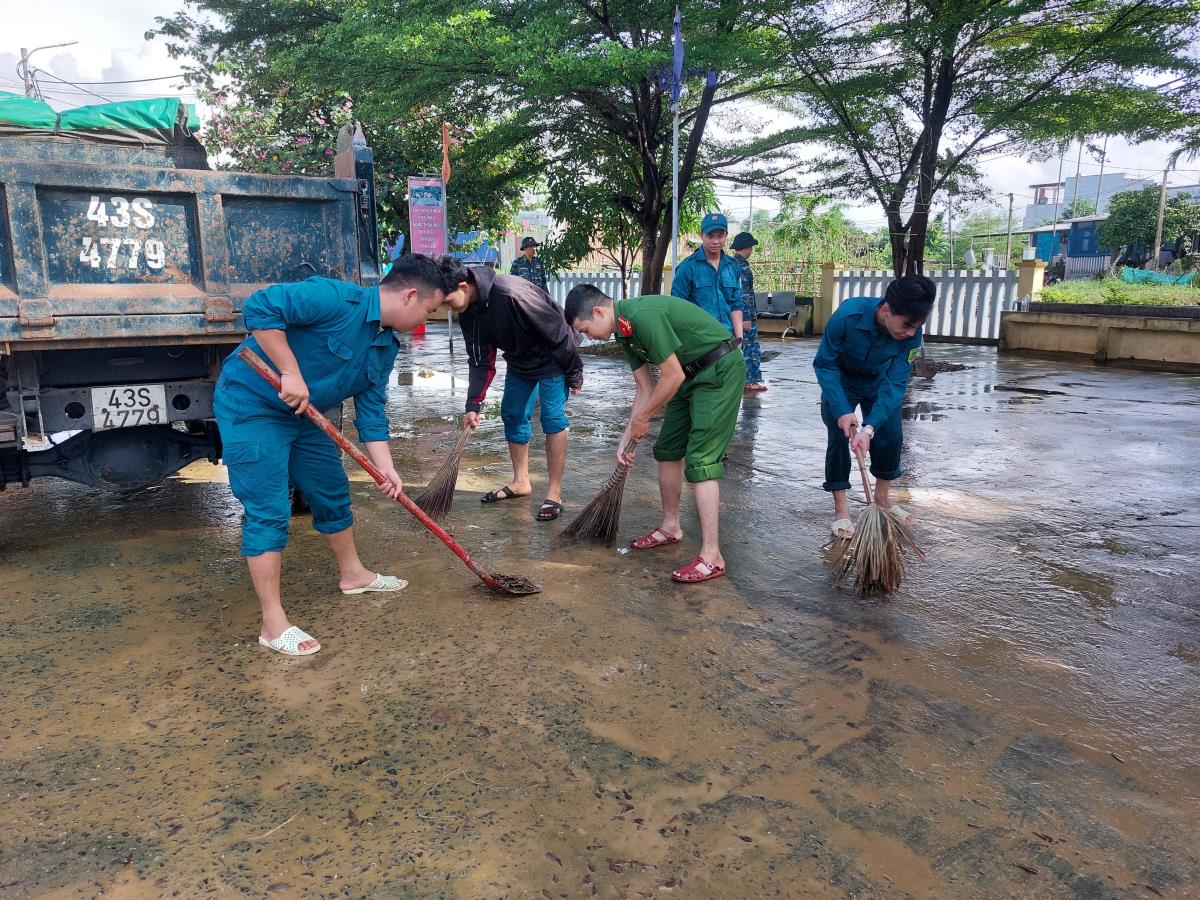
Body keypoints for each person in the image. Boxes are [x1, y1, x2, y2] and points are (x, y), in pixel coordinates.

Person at [214, 255, 451, 656]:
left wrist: (387, 469)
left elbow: (372, 414)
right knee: (270, 509)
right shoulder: (333, 298)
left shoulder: (384, 346)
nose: (425, 319)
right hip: (252, 405)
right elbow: (260, 306)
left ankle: (354, 575)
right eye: (429, 310)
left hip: (306, 414)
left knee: (331, 491)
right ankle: (273, 624)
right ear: (411, 296)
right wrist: (290, 371)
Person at [565, 285, 745, 584]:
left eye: (585, 329)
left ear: (598, 312)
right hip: (689, 376)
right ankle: (670, 527)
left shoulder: (642, 317)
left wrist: (645, 417)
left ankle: (713, 556)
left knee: (700, 461)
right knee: (667, 450)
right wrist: (626, 436)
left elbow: (671, 375)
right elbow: (645, 389)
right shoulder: (625, 332)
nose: (587, 337)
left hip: (718, 370)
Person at [440, 256, 584, 522]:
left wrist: (575, 373)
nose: (447, 308)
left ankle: (554, 492)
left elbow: (559, 332)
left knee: (552, 418)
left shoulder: (510, 294)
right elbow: (480, 360)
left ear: (463, 286)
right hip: (520, 360)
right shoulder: (468, 313)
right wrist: (473, 403)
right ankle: (521, 482)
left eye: (447, 301)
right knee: (512, 413)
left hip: (553, 356)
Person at [813, 275, 936, 539]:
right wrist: (842, 409)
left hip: (879, 381)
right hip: (842, 381)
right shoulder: (847, 317)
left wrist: (868, 429)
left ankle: (882, 498)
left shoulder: (912, 336)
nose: (911, 333)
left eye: (918, 326)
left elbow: (896, 380)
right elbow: (825, 364)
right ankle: (841, 508)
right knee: (838, 436)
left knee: (891, 434)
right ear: (886, 309)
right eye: (907, 325)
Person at [670, 212, 744, 345]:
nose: (715, 241)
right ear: (701, 235)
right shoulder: (687, 267)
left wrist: (739, 341)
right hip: (699, 341)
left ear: (726, 235)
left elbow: (736, 305)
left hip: (728, 340)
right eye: (710, 236)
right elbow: (677, 308)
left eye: (720, 236)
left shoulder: (733, 267)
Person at [730, 231, 765, 392]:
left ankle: (740, 378)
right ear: (748, 247)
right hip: (744, 315)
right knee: (750, 347)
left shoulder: (731, 264)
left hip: (735, 313)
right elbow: (743, 293)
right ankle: (750, 380)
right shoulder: (741, 266)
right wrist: (745, 317)